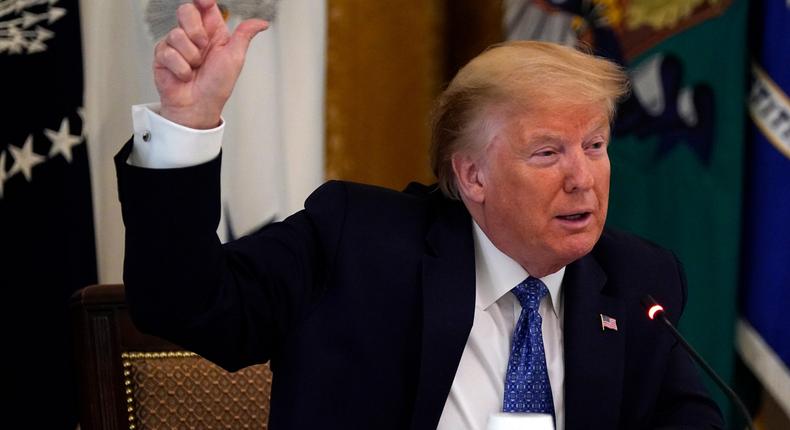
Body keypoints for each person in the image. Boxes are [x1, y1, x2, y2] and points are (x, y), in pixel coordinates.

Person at [114, 0, 723, 428]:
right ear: (471, 175)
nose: (582, 177)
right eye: (547, 153)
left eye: (595, 146)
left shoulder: (636, 280)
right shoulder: (356, 242)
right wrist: (186, 127)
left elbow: (690, 419)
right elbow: (185, 304)